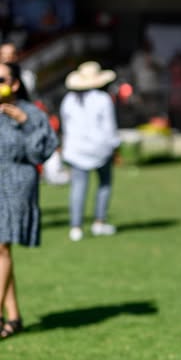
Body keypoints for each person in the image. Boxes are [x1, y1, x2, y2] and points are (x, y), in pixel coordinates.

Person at [0, 61, 58, 339]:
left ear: (14, 83)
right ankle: (14, 317)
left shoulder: (31, 113)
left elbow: (42, 152)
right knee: (1, 251)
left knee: (1, 247)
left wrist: (24, 125)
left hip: (16, 183)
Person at [60, 61, 120, 242]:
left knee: (78, 187)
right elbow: (110, 127)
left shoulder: (68, 100)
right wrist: (115, 146)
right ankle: (99, 221)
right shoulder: (102, 99)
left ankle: (76, 226)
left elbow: (65, 126)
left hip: (76, 150)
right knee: (104, 184)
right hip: (100, 148)